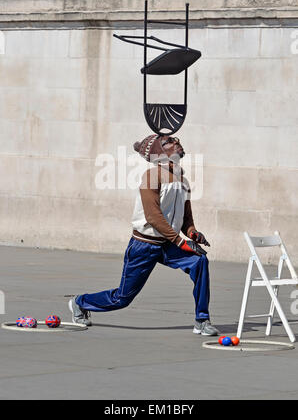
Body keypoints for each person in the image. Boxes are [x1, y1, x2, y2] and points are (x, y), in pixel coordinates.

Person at [68, 134, 219, 336]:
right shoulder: (151, 176)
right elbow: (153, 216)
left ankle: (202, 319)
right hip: (144, 245)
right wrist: (181, 242)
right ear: (158, 155)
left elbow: (186, 215)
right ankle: (80, 302)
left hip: (168, 243)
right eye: (168, 142)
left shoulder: (182, 178)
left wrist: (192, 232)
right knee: (122, 299)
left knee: (200, 262)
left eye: (175, 139)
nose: (176, 142)